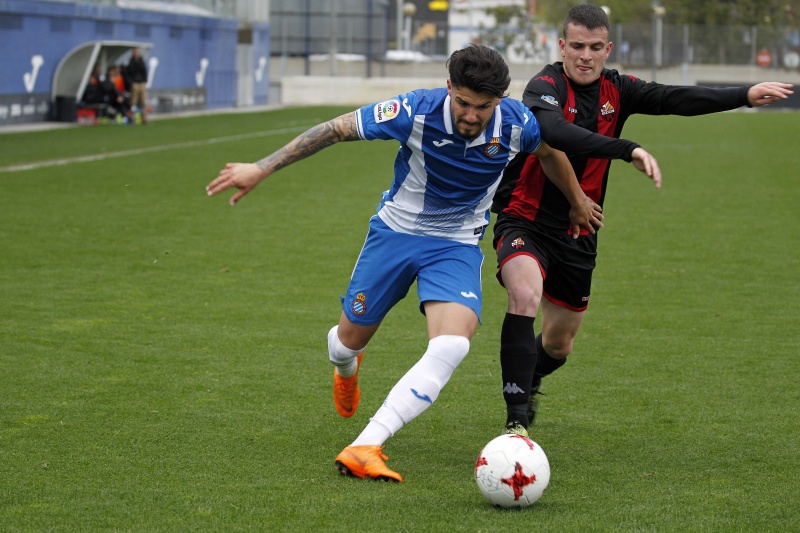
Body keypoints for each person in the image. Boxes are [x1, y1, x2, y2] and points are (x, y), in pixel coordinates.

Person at [206, 45, 603, 482]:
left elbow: (550, 152)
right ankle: (345, 366)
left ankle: (366, 445)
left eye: (484, 107)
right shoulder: (413, 110)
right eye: (463, 103)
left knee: (452, 344)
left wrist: (577, 200)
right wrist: (262, 168)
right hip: (394, 236)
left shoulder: (516, 122)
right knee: (346, 342)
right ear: (448, 87)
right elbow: (335, 129)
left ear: (500, 100)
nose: (472, 116)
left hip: (455, 245)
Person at [491, 3, 794, 436]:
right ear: (562, 46)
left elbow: (674, 98)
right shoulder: (545, 86)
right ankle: (516, 423)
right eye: (577, 46)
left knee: (559, 343)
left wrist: (743, 95)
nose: (585, 55)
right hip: (526, 218)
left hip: (580, 229)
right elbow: (553, 132)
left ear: (608, 49)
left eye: (595, 47)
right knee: (524, 293)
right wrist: (626, 148)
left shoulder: (619, 89)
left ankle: (532, 374)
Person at [126, 48, 148, 124]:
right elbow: (128, 74)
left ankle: (144, 118)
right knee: (133, 103)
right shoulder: (131, 62)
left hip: (141, 83)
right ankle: (132, 118)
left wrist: (144, 81)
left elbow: (145, 72)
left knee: (143, 102)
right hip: (134, 84)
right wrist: (132, 83)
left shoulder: (141, 61)